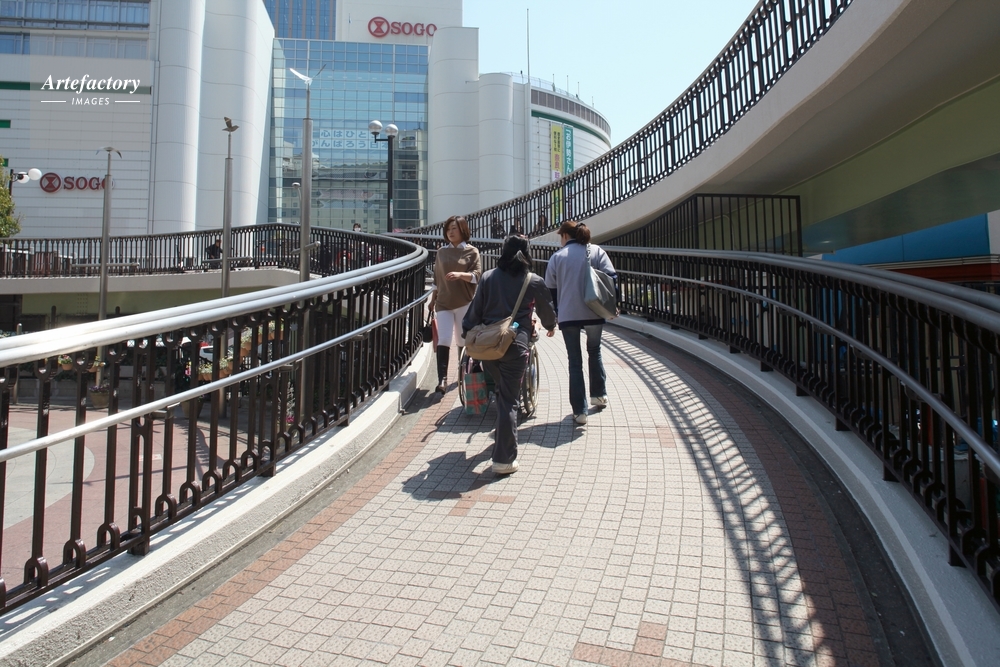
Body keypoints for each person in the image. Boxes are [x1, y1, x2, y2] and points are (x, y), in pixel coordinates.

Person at [463, 235, 556, 475]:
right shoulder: (532, 280)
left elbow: (474, 313)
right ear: (527, 253)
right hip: (515, 346)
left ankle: (502, 444)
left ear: (503, 251)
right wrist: (550, 325)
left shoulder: (488, 277)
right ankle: (504, 459)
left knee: (502, 392)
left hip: (488, 348)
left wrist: (467, 332)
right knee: (508, 399)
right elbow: (547, 311)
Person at [544, 220, 617, 425]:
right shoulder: (596, 251)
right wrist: (613, 306)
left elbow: (550, 290)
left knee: (574, 361)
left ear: (565, 236)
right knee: (595, 350)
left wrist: (555, 314)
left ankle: (580, 411)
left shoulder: (557, 257)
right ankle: (599, 395)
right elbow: (612, 277)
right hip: (595, 310)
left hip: (568, 315)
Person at [429, 215, 481, 394]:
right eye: (448, 229)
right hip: (443, 302)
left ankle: (463, 374)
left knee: (462, 340)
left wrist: (460, 275)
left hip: (464, 302)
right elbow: (437, 279)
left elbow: (477, 276)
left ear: (463, 230)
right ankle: (442, 380)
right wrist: (433, 300)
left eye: (454, 228)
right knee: (444, 339)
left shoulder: (472, 251)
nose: (450, 232)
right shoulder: (441, 252)